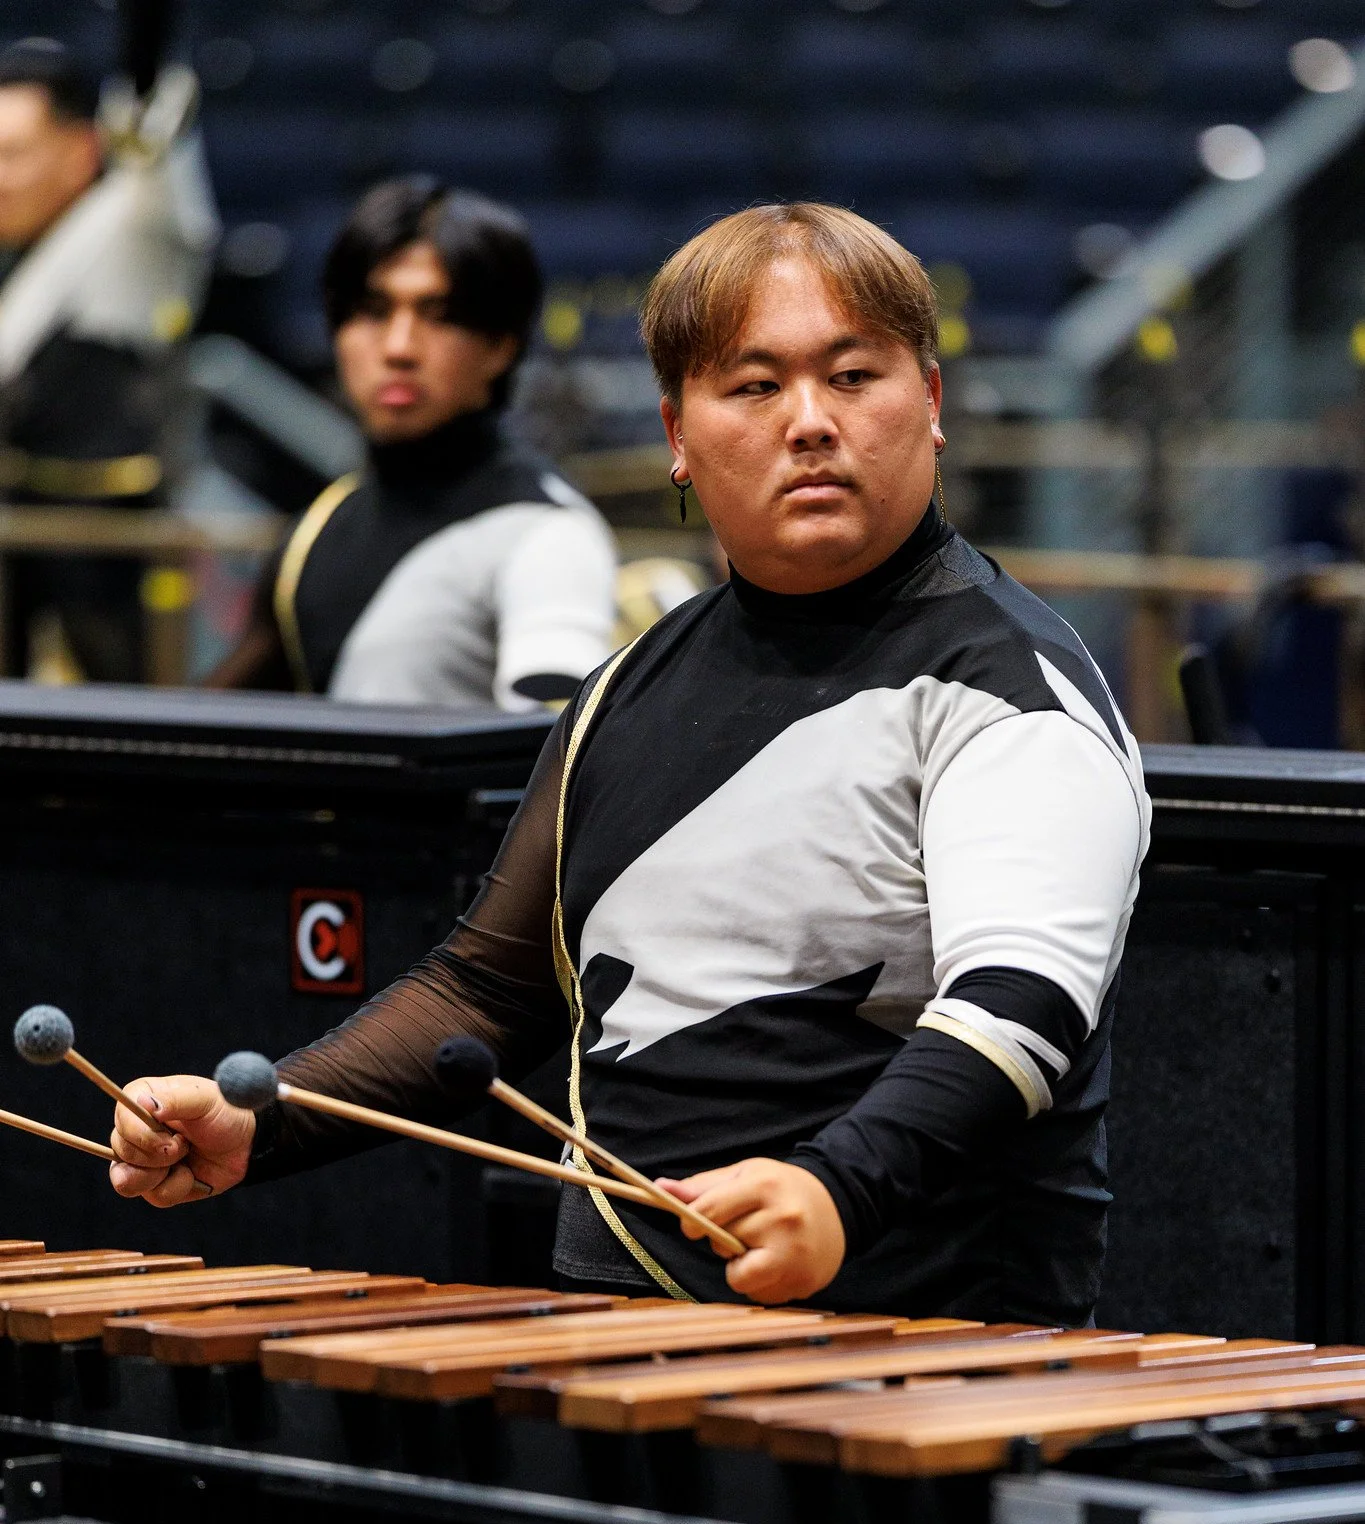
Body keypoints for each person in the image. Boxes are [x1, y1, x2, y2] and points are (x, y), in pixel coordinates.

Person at [110, 202, 1150, 1325]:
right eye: (754, 387)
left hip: (920, 1355)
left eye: (854, 376)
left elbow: (1018, 1008)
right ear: (678, 436)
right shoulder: (629, 684)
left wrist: (836, 1186)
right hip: (628, 1330)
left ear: (932, 403)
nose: (810, 422)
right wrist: (263, 1116)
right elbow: (486, 985)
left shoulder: (1013, 688)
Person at [203, 177, 617, 711]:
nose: (399, 347)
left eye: (439, 315)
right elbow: (217, 728)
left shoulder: (549, 536)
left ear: (500, 347)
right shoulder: (318, 529)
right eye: (374, 311)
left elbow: (562, 760)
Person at [0, 37, 216, 680]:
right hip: (23, 574)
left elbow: (156, 141)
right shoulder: (22, 258)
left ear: (81, 148)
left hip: (118, 579)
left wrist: (144, 66)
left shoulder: (133, 226)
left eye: (13, 155)